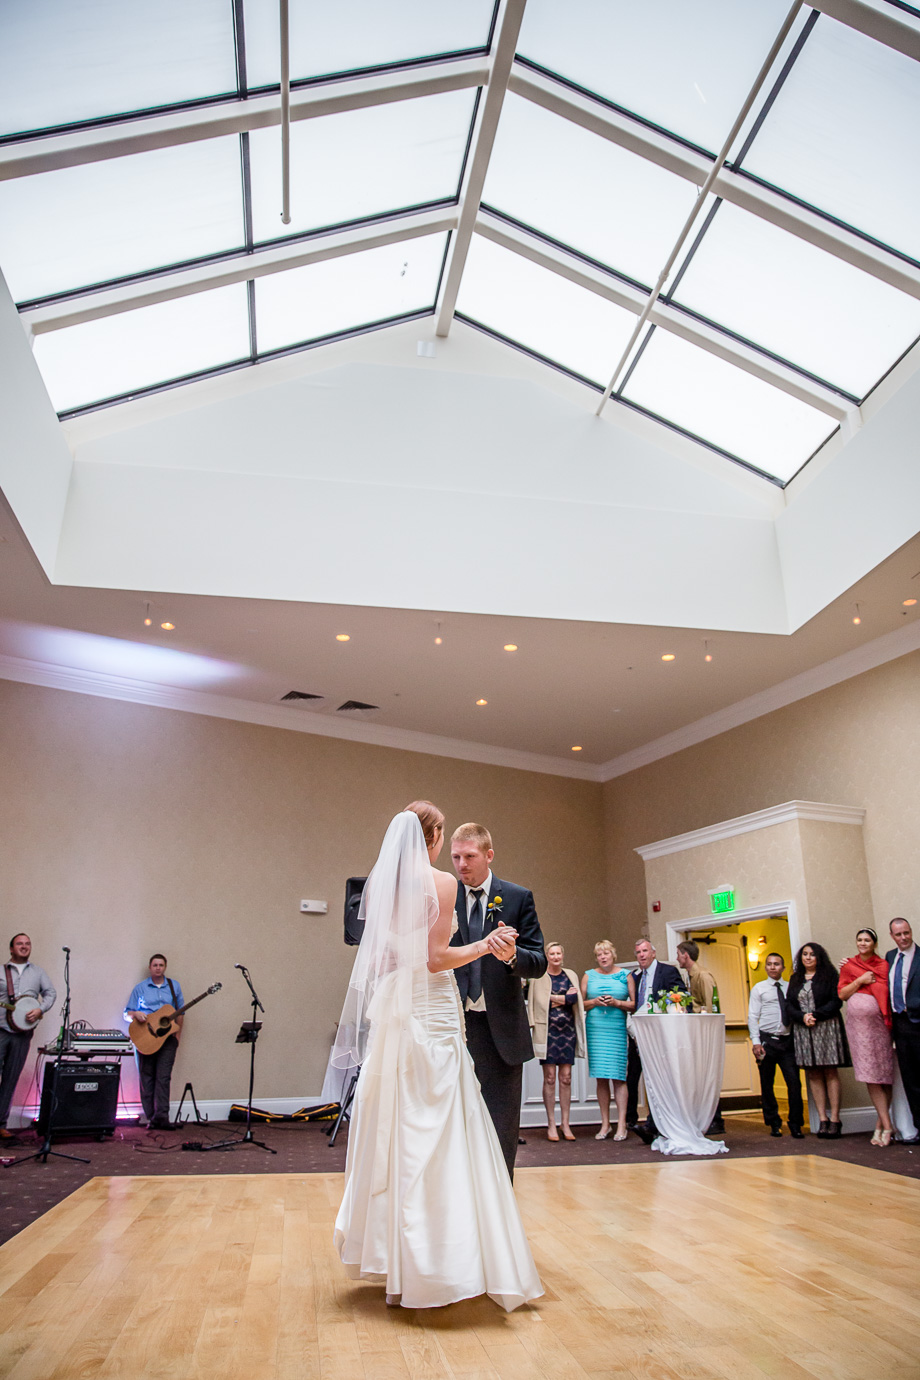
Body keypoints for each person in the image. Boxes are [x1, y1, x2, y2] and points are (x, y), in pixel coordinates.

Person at [332, 802, 542, 1311]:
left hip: (401, 1016)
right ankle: (453, 1252)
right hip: (436, 1010)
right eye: (450, 846)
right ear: (435, 838)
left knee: (401, 1124)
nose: (458, 860)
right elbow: (435, 958)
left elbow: (384, 958)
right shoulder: (441, 884)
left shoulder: (382, 887)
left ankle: (397, 1251)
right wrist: (485, 945)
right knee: (449, 1124)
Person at [449, 822, 547, 1178]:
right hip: (453, 1026)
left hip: (502, 1028)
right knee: (453, 1119)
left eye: (469, 856)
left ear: (488, 855)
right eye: (456, 856)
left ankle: (500, 1196)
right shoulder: (445, 895)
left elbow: (538, 963)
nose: (461, 864)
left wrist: (511, 956)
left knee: (501, 1122)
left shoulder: (518, 897)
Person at [783, 942, 850, 1138]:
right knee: (813, 1073)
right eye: (805, 954)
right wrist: (803, 1017)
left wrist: (816, 1015)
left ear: (819, 957)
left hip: (827, 1026)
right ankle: (822, 1118)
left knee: (830, 1071)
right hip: (804, 1030)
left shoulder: (829, 976)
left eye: (812, 954)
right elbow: (789, 1005)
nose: (808, 958)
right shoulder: (795, 979)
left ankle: (835, 1119)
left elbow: (836, 1001)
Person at [838, 929, 893, 1147]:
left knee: (885, 1075)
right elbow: (842, 994)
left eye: (867, 940)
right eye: (859, 939)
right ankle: (887, 1126)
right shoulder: (849, 966)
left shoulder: (883, 966)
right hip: (859, 1030)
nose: (862, 943)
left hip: (880, 1027)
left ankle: (881, 1124)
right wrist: (860, 980)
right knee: (870, 1075)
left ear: (874, 943)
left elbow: (886, 991)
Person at [527, 942, 586, 1142]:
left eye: (558, 953)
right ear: (547, 956)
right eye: (551, 953)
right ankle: (551, 1124)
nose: (555, 956)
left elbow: (574, 1000)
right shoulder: (540, 976)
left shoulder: (570, 975)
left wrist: (555, 999)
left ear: (563, 955)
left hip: (567, 1031)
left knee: (566, 1077)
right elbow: (537, 1001)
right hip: (548, 1031)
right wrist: (562, 997)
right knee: (550, 1077)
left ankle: (566, 1124)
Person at [0, 934, 56, 1140]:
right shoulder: (1, 971)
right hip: (1, 1030)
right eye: (19, 944)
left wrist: (40, 1010)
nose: (24, 947)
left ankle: (1, 1124)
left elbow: (51, 993)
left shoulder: (38, 972)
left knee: (10, 1078)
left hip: (23, 1034)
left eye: (27, 944)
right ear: (11, 949)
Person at [625, 938, 684, 1132]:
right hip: (637, 1036)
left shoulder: (668, 972)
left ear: (653, 953)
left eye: (644, 951)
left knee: (658, 1079)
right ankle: (631, 1120)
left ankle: (655, 1122)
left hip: (660, 1037)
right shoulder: (635, 977)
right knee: (632, 1078)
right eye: (638, 953)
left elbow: (682, 999)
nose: (641, 955)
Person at [581, 941, 635, 1141]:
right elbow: (581, 1003)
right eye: (599, 954)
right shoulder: (588, 975)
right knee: (601, 1077)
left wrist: (617, 1002)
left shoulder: (625, 975)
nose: (603, 957)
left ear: (613, 955)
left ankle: (621, 1124)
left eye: (606, 953)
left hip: (616, 1028)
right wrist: (594, 1002)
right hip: (596, 1028)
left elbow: (635, 1003)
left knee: (619, 1077)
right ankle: (605, 1124)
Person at [747, 952, 804, 1139]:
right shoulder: (759, 989)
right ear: (765, 967)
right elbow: (753, 1016)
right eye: (770, 964)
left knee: (794, 1083)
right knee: (767, 1084)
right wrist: (756, 1042)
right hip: (766, 1041)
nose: (773, 967)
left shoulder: (791, 988)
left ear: (783, 967)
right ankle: (773, 1122)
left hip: (787, 1041)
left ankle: (795, 1124)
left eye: (777, 964)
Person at [124, 953, 184, 1130]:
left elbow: (180, 1013)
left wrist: (177, 1037)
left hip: (167, 1040)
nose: (158, 968)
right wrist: (136, 1014)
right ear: (150, 967)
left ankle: (162, 1117)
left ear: (165, 967)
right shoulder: (140, 988)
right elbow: (127, 1013)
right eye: (155, 965)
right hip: (145, 1039)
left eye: (161, 965)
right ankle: (151, 1117)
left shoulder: (174, 987)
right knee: (147, 1077)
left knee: (163, 1078)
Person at [886, 917, 920, 1142]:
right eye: (898, 934)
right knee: (911, 1080)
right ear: (892, 936)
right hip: (899, 1025)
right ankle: (918, 1128)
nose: (904, 938)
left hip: (919, 1022)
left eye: (906, 933)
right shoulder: (890, 957)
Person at [676, 941, 719, 1012]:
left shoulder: (703, 976)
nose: (677, 959)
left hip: (703, 1021)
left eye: (678, 955)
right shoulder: (690, 976)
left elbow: (710, 1006)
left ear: (686, 955)